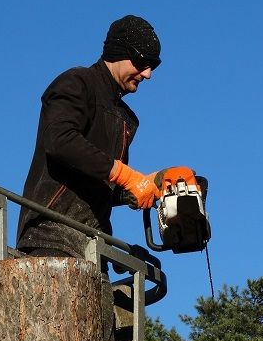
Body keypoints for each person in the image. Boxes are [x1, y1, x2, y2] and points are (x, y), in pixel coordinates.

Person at [16, 14, 165, 259]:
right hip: (50, 233)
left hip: (94, 243)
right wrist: (126, 175)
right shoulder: (76, 83)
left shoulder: (126, 118)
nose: (148, 73)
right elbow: (60, 140)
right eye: (142, 62)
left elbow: (99, 182)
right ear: (118, 51)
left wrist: (145, 185)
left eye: (154, 65)